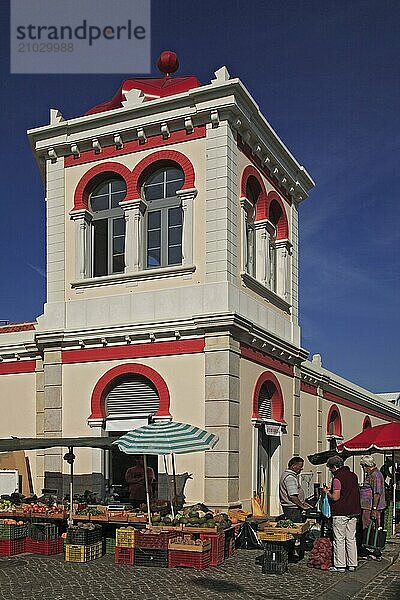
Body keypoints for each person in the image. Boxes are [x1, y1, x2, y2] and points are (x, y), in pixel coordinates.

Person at [323, 455, 361, 573]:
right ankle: (352, 564)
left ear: (334, 467)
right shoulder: (353, 475)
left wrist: (327, 492)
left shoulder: (337, 478)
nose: (330, 471)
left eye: (330, 468)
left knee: (339, 538)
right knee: (351, 538)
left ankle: (340, 565)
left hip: (341, 512)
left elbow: (335, 497)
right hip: (354, 510)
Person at [360, 455, 386, 559]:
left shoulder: (375, 475)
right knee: (369, 527)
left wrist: (374, 509)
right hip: (368, 506)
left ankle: (373, 550)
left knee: (371, 528)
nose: (363, 468)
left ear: (366, 466)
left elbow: (377, 493)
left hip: (371, 507)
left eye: (363, 466)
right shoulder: (372, 474)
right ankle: (371, 549)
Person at [279, 456, 311, 523]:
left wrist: (303, 502)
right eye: (300, 466)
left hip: (291, 508)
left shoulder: (288, 475)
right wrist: (302, 506)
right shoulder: (290, 478)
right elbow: (292, 496)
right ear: (294, 466)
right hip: (292, 509)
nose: (302, 468)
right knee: (295, 527)